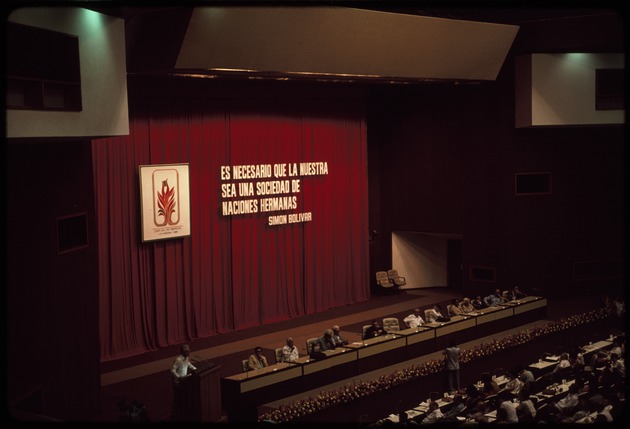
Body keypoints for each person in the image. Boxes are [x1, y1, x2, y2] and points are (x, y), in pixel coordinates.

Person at [170, 344, 197, 420]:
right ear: (182, 352)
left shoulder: (186, 358)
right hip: (177, 383)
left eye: (189, 350)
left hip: (184, 381)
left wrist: (195, 369)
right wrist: (178, 377)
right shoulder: (178, 360)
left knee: (182, 397)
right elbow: (172, 370)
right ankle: (176, 414)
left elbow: (188, 364)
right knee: (177, 398)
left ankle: (181, 412)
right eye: (187, 351)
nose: (189, 352)